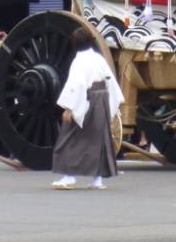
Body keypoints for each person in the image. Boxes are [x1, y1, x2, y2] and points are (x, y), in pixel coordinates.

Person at [51, 27, 124, 190]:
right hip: (102, 100)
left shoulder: (79, 61)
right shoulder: (98, 58)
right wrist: (113, 103)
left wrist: (69, 108)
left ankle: (69, 176)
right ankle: (97, 180)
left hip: (87, 99)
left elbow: (77, 84)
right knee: (98, 140)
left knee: (70, 138)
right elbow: (110, 80)